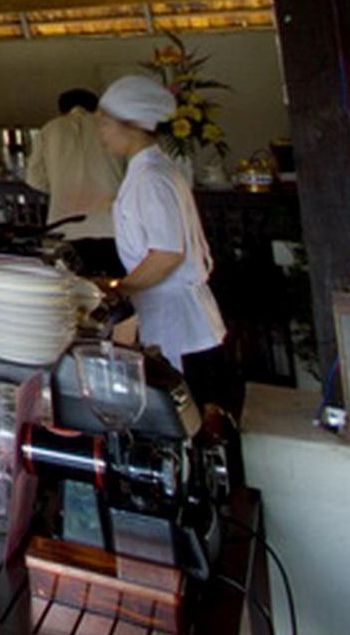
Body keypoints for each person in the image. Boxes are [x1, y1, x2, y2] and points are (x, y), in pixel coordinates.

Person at [95, 75, 241, 417]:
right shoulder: (151, 170)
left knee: (195, 418)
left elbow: (167, 254)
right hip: (169, 316)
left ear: (129, 125)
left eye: (104, 125)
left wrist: (120, 289)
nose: (101, 135)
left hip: (182, 323)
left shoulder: (152, 178)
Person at [27, 88, 122, 251]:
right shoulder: (112, 128)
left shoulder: (49, 129)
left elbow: (34, 178)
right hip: (110, 223)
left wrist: (58, 186)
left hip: (64, 224)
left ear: (62, 110)